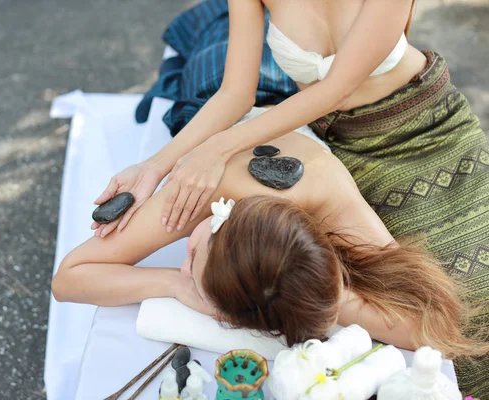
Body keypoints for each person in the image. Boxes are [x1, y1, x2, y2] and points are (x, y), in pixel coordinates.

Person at [60, 0, 489, 396]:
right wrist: (154, 169)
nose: (184, 261)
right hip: (331, 135)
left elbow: (336, 89)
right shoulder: (296, 210)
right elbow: (234, 93)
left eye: (187, 263)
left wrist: (214, 149)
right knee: (462, 311)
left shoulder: (246, 186)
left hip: (423, 122)